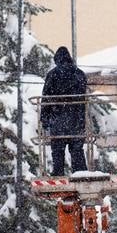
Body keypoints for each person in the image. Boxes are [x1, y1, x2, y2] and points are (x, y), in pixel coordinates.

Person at [40, 46, 88, 175]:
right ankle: (81, 174)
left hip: (58, 120)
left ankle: (58, 173)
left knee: (57, 150)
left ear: (57, 60)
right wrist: (82, 121)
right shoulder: (80, 74)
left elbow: (46, 98)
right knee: (77, 149)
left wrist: (44, 119)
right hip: (77, 120)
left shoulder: (52, 74)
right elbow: (83, 99)